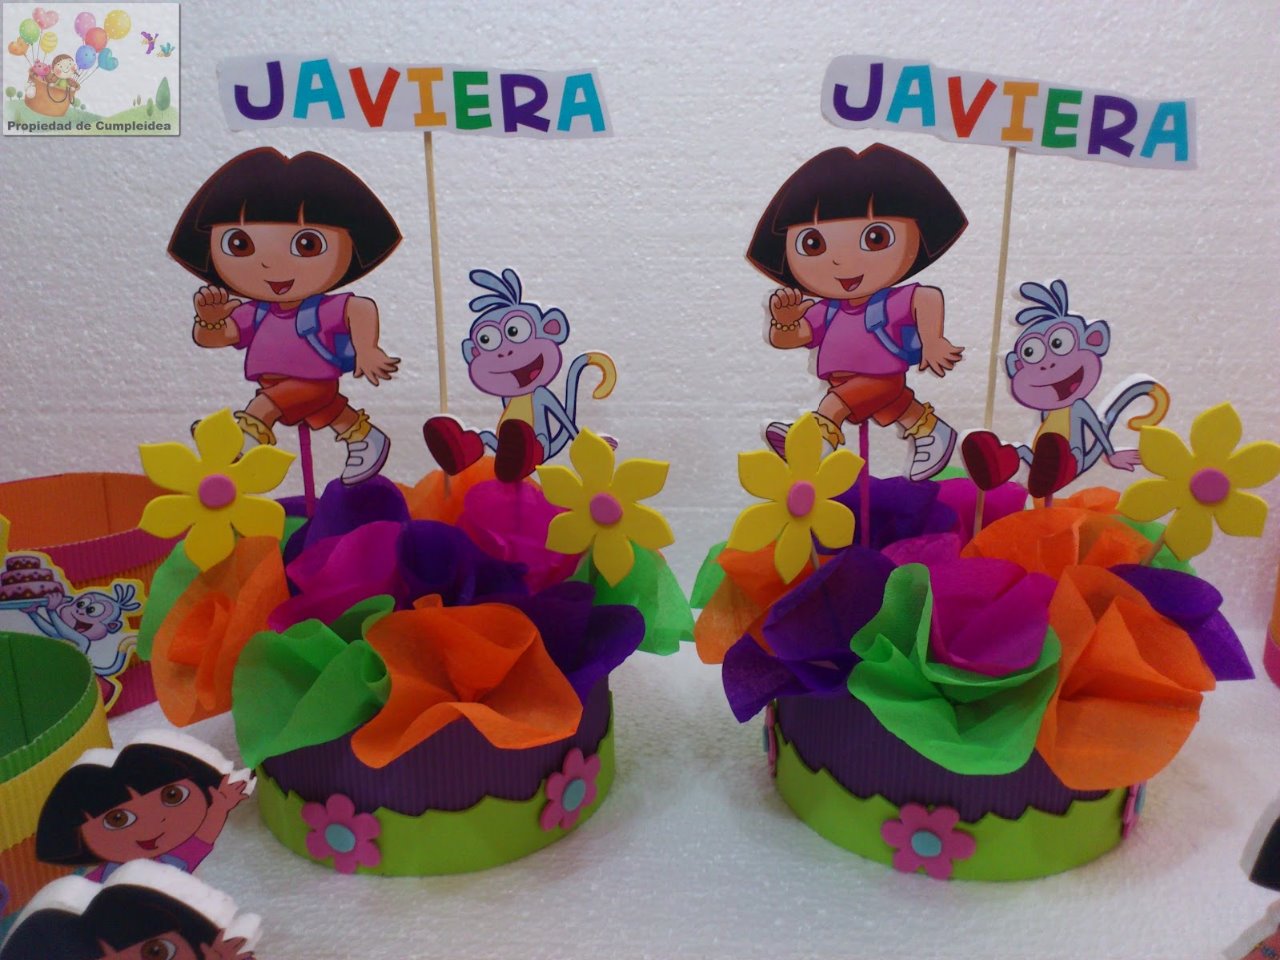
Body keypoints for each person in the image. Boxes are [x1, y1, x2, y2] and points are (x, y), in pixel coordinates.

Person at [168, 148, 403, 485]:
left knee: (265, 407)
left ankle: (238, 443)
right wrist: (210, 319)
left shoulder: (319, 310)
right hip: (278, 384)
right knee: (332, 413)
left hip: (313, 381)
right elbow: (216, 338)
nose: (270, 264)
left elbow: (360, 307)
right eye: (240, 245)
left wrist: (367, 349)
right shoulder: (255, 313)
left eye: (307, 245)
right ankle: (366, 437)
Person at [746, 144, 967, 481]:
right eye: (814, 244)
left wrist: (933, 340)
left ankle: (812, 441)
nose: (841, 261)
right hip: (849, 381)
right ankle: (932, 431)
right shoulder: (826, 310)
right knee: (898, 408)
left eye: (876, 238)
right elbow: (790, 338)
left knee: (834, 405)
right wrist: (785, 322)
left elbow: (926, 297)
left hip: (881, 375)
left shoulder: (888, 302)